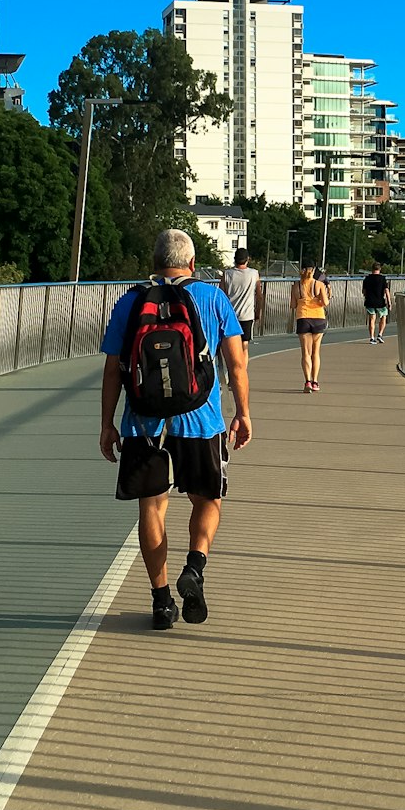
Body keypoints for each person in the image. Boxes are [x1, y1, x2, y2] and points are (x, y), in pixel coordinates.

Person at [100, 229, 252, 630]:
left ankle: (161, 600)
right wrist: (243, 412)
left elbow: (113, 369)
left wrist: (106, 424)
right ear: (192, 263)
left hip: (143, 424)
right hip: (202, 420)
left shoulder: (131, 302)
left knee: (151, 507)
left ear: (154, 263)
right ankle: (195, 567)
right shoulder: (212, 298)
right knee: (208, 500)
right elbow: (236, 364)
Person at [220, 248, 264, 366]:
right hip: (247, 315)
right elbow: (259, 295)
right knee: (244, 346)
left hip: (230, 316)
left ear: (235, 260)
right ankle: (242, 372)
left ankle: (231, 373)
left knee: (231, 347)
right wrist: (257, 312)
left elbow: (221, 295)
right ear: (247, 259)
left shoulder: (227, 274)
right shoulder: (254, 274)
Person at [291, 263, 329, 392]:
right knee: (316, 352)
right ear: (313, 271)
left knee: (306, 353)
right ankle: (315, 381)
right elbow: (325, 302)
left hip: (303, 317)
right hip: (318, 317)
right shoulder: (319, 285)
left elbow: (292, 305)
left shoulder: (296, 286)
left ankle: (307, 381)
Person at [362, 259, 392, 344]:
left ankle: (372, 337)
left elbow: (364, 291)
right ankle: (380, 334)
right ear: (380, 269)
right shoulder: (382, 279)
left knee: (372, 319)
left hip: (370, 301)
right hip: (380, 302)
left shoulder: (367, 279)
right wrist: (389, 302)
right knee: (383, 317)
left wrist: (366, 296)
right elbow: (386, 291)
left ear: (372, 269)